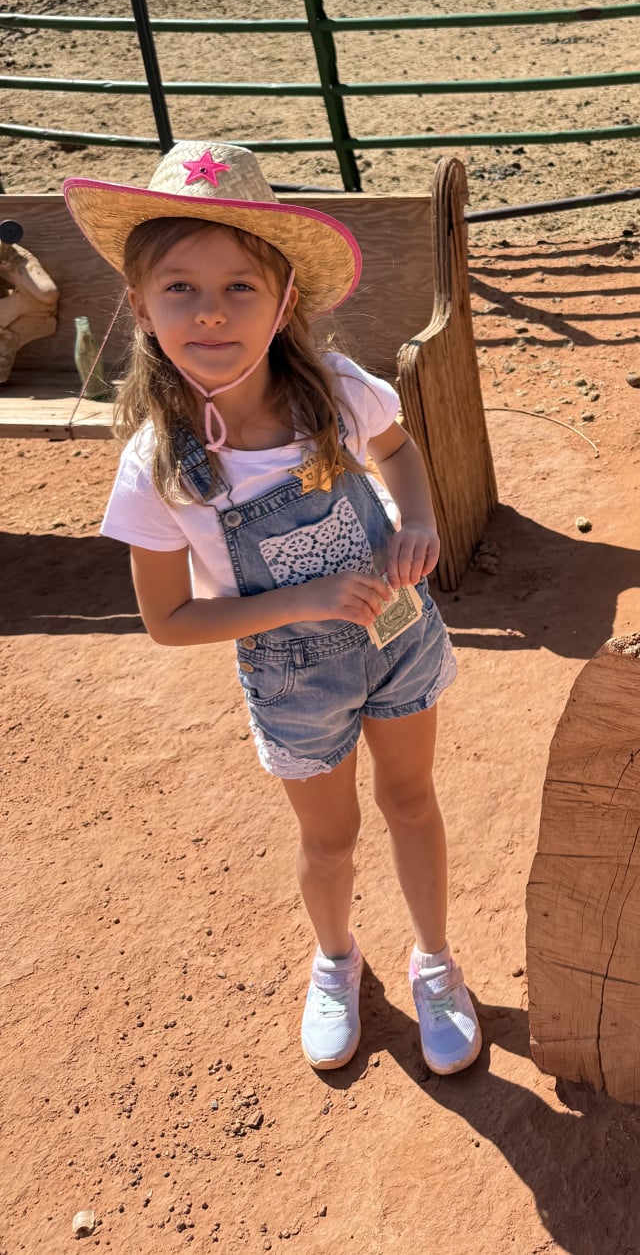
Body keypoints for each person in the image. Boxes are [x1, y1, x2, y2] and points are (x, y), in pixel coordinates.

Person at [63, 140, 481, 1077]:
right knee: (327, 834)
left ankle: (435, 959)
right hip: (294, 677)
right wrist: (310, 594)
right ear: (139, 305)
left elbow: (401, 448)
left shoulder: (334, 390)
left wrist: (416, 521)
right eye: (180, 288)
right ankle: (337, 959)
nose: (211, 311)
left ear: (284, 298)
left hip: (398, 640)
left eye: (239, 287)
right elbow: (169, 622)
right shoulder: (158, 469)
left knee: (412, 798)